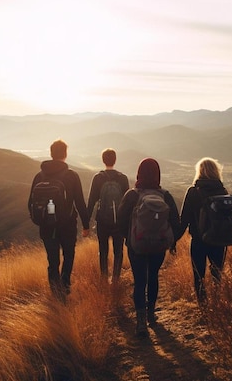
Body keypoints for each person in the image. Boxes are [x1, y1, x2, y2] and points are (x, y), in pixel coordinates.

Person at [117, 158, 182, 336]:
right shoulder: (165, 195)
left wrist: (129, 239)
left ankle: (140, 323)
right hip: (158, 246)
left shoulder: (131, 195)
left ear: (139, 173)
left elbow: (120, 222)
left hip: (136, 246)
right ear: (157, 174)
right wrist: (169, 241)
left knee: (139, 281)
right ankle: (152, 316)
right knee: (153, 277)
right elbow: (177, 224)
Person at [29, 139, 90, 299]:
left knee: (52, 260)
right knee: (68, 254)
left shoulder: (39, 176)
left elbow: (30, 203)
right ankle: (65, 285)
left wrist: (40, 220)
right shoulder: (71, 176)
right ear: (65, 154)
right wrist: (86, 224)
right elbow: (80, 202)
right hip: (67, 225)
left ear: (51, 154)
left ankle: (56, 293)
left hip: (46, 227)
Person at [180, 157, 230, 304]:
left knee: (199, 275)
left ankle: (203, 306)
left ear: (199, 172)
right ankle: (218, 304)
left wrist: (173, 240)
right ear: (216, 172)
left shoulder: (193, 192)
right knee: (217, 274)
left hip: (199, 241)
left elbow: (184, 220)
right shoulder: (223, 191)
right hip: (219, 240)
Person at [87, 148, 130, 283]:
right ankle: (116, 279)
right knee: (118, 251)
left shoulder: (98, 178)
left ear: (103, 160)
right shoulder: (122, 178)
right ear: (115, 160)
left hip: (102, 221)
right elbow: (128, 202)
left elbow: (91, 201)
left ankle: (104, 279)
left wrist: (85, 223)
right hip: (119, 222)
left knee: (103, 251)